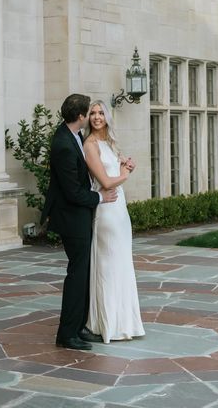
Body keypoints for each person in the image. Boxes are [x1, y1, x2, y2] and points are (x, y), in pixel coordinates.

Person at [41, 94, 118, 351]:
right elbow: (73, 192)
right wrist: (100, 196)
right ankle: (67, 334)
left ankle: (79, 327)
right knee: (77, 274)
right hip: (71, 218)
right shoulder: (63, 143)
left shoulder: (74, 136)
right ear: (81, 116)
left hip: (80, 216)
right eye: (89, 113)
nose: (92, 117)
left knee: (84, 272)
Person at [83, 100, 145, 343]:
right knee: (108, 267)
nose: (97, 117)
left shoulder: (108, 142)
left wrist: (124, 166)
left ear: (107, 116)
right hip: (106, 209)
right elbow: (106, 183)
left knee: (122, 265)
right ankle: (106, 325)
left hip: (119, 209)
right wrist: (125, 174)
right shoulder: (90, 145)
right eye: (92, 113)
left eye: (101, 113)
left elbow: (115, 175)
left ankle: (126, 323)